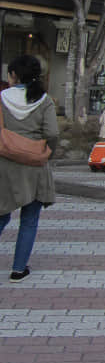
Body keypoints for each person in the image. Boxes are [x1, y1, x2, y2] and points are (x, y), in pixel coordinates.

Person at [0, 55, 59, 282]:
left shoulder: (3, 97)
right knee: (29, 219)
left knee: (2, 215)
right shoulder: (43, 100)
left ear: (14, 75)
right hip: (35, 164)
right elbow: (52, 133)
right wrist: (47, 152)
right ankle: (18, 268)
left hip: (5, 163)